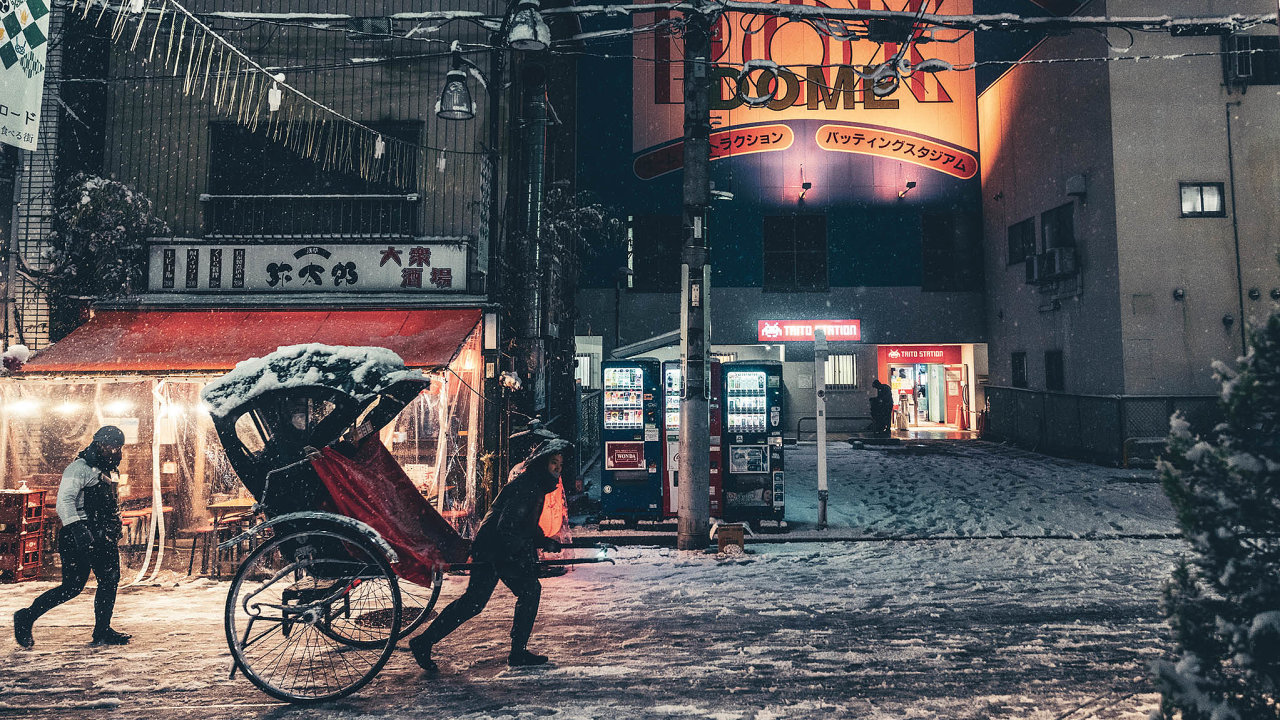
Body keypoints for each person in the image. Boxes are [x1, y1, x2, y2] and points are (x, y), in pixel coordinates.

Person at [409, 438, 571, 675]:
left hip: (494, 546)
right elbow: (509, 526)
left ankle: (424, 642)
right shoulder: (529, 486)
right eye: (553, 463)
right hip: (496, 548)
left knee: (474, 602)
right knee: (528, 591)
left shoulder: (534, 485)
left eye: (560, 464)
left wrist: (542, 541)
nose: (557, 468)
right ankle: (517, 652)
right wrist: (525, 551)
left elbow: (525, 524)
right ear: (541, 463)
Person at [13, 426, 131, 648]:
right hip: (79, 535)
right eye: (110, 446)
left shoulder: (108, 469)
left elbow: (110, 501)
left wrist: (115, 524)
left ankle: (102, 631)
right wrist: (78, 530)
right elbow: (64, 502)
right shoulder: (78, 469)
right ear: (99, 444)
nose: (114, 451)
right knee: (72, 587)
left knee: (109, 581)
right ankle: (26, 616)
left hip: (102, 535)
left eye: (117, 447)